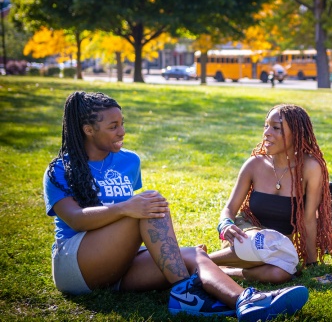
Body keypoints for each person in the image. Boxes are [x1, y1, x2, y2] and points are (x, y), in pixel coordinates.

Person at [44, 91, 309, 321]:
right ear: (89, 130)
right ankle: (186, 292)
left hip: (119, 266)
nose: (122, 131)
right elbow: (76, 220)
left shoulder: (128, 161)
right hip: (76, 267)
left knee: (194, 255)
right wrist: (127, 208)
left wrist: (135, 211)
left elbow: (132, 224)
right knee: (148, 203)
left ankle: (247, 301)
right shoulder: (59, 169)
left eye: (122, 123)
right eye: (113, 126)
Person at [209, 104, 332, 283]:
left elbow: (308, 218)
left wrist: (312, 262)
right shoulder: (254, 165)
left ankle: (220, 270)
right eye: (266, 126)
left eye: (276, 128)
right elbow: (229, 208)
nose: (267, 132)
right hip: (246, 235)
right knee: (258, 242)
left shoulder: (310, 168)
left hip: (277, 246)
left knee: (280, 274)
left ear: (296, 135)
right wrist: (225, 225)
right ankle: (199, 259)